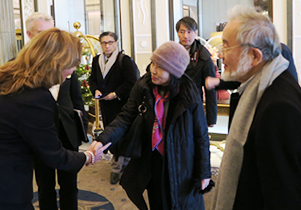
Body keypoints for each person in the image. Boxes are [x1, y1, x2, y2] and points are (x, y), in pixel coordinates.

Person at [209, 6, 301, 209]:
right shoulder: (268, 86)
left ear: (254, 56)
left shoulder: (278, 107)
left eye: (226, 47)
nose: (220, 55)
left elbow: (284, 197)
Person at [90, 41, 211, 209]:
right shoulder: (143, 86)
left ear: (174, 72)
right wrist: (103, 139)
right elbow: (125, 117)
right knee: (158, 201)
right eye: (153, 63)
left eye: (160, 67)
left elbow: (201, 134)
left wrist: (204, 170)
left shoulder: (188, 93)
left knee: (183, 203)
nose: (153, 70)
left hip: (182, 160)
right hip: (153, 160)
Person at [0, 28, 109, 210]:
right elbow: (54, 156)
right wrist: (88, 156)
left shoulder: (9, 77)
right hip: (9, 185)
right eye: (72, 64)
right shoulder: (34, 97)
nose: (73, 70)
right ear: (56, 62)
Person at [26, 12, 89, 210]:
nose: (49, 38)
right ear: (29, 35)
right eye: (42, 33)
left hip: (68, 132)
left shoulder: (66, 60)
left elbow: (76, 99)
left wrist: (81, 128)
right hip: (40, 134)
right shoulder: (23, 66)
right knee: (45, 186)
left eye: (53, 32)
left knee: (70, 185)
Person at [88, 31, 140, 184]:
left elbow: (132, 82)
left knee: (122, 133)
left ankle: (119, 163)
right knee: (109, 130)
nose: (107, 45)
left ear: (117, 43)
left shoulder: (124, 60)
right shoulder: (97, 59)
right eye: (104, 43)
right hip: (105, 103)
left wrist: (115, 94)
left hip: (122, 104)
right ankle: (118, 158)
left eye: (110, 42)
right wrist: (95, 90)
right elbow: (93, 79)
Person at [176, 16, 217, 126]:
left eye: (189, 32)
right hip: (172, 104)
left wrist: (211, 118)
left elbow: (210, 89)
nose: (186, 36)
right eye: (182, 32)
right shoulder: (171, 52)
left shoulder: (204, 57)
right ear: (177, 33)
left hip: (193, 105)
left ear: (196, 33)